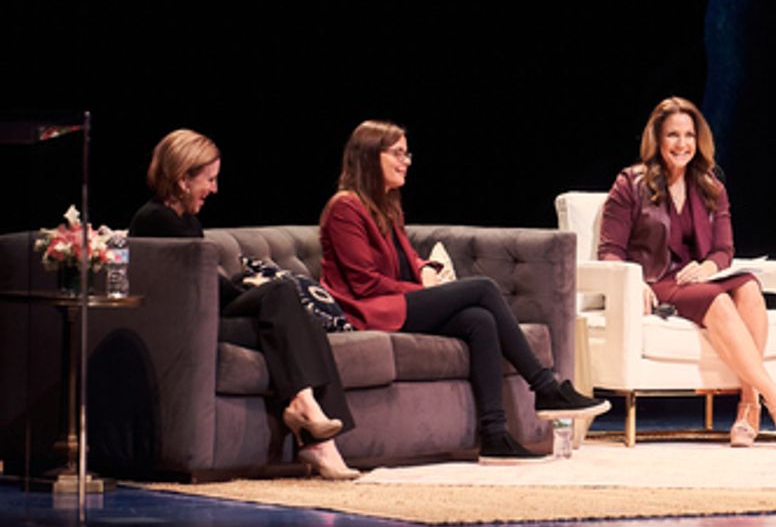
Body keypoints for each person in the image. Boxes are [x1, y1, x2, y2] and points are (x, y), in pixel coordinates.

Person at [318, 119, 608, 462]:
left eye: (407, 153)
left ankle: (495, 435)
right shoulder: (344, 208)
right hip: (367, 311)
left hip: (394, 302)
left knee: (479, 319)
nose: (406, 161)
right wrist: (420, 287)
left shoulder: (385, 207)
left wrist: (427, 270)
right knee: (483, 289)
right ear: (369, 155)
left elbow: (407, 258)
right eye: (397, 153)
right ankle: (546, 387)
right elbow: (364, 283)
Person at [129, 129, 359, 480]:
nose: (214, 189)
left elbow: (209, 284)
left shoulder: (186, 220)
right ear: (181, 179)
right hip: (196, 329)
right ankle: (305, 411)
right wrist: (247, 290)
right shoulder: (154, 220)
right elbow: (198, 292)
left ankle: (321, 440)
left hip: (214, 316)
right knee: (281, 294)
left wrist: (241, 285)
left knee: (303, 322)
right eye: (209, 179)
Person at [598, 96, 776, 448]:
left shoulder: (710, 186)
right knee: (718, 300)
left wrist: (708, 266)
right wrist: (632, 282)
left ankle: (748, 406)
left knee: (749, 287)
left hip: (697, 279)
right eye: (672, 136)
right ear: (657, 139)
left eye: (688, 136)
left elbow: (724, 250)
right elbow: (610, 251)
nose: (682, 144)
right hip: (657, 281)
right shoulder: (629, 184)